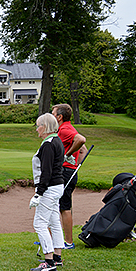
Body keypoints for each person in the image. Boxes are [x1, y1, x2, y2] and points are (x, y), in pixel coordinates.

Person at [29, 113, 65, 271]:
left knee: (40, 223)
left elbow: (46, 171)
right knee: (54, 221)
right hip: (56, 187)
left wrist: (39, 193)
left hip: (49, 188)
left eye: (38, 126)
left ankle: (49, 261)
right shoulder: (56, 141)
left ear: (45, 127)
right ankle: (57, 257)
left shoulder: (49, 144)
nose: (37, 129)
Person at [52, 103, 88, 249]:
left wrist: (66, 157)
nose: (52, 116)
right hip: (68, 171)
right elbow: (83, 150)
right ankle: (54, 239)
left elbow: (81, 141)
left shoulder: (65, 129)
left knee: (64, 207)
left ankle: (68, 242)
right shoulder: (66, 128)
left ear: (60, 117)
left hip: (65, 173)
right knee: (58, 205)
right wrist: (75, 166)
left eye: (53, 114)